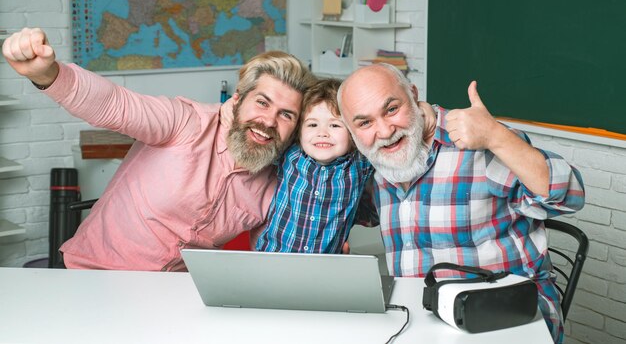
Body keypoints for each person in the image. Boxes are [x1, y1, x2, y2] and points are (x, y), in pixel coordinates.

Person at [2, 27, 316, 271]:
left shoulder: (279, 181)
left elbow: (270, 254)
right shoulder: (185, 122)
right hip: (95, 274)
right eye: (262, 103)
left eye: (286, 115)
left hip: (176, 296)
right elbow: (115, 103)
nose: (269, 121)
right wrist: (48, 75)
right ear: (236, 101)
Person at [337, 63, 585, 344]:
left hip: (506, 312)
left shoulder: (475, 142)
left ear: (414, 95)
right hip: (421, 316)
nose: (384, 130)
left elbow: (569, 196)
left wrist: (497, 136)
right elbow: (355, 212)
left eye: (392, 109)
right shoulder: (374, 162)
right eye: (364, 122)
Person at [255, 78, 374, 253]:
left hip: (325, 267)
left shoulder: (360, 163)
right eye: (312, 124)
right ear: (299, 131)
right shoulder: (288, 153)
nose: (322, 133)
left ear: (352, 133)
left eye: (334, 125)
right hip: (272, 258)